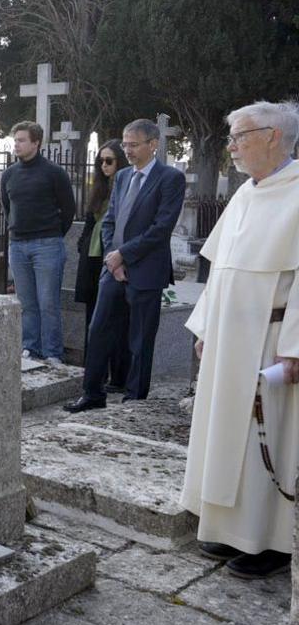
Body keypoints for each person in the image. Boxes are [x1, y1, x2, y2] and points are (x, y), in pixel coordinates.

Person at [180, 101, 299, 579]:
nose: (231, 146)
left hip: (268, 342)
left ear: (273, 136)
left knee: (263, 438)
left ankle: (270, 541)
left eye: (240, 136)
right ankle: (228, 528)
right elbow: (221, 271)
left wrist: (293, 349)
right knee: (224, 434)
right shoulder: (247, 194)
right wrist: (207, 328)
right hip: (228, 339)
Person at [64, 119, 186, 412]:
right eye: (125, 144)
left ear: (152, 144)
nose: (127, 150)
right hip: (113, 270)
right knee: (98, 330)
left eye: (133, 144)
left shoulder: (170, 178)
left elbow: (161, 228)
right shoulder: (121, 178)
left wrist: (124, 255)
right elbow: (109, 223)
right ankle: (92, 394)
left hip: (145, 271)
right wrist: (113, 258)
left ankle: (134, 400)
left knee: (140, 339)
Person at [0, 121, 76, 365]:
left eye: (22, 140)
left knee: (48, 303)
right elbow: (7, 208)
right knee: (26, 303)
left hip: (47, 245)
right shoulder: (8, 174)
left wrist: (52, 235)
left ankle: (53, 353)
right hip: (18, 245)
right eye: (15, 140)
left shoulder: (54, 173)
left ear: (36, 143)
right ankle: (30, 348)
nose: (17, 145)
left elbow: (68, 210)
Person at [73, 140, 130, 391]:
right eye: (101, 161)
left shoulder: (128, 186)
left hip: (114, 255)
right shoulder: (98, 188)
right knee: (93, 317)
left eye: (110, 161)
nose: (104, 166)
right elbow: (89, 221)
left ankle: (118, 376)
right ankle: (94, 373)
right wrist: (84, 244)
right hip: (93, 257)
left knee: (116, 318)